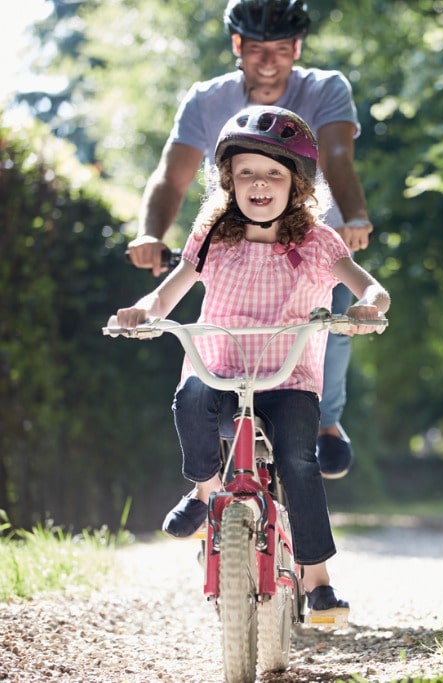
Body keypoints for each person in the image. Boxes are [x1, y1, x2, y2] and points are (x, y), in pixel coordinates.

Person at [113, 105, 391, 617]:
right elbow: (168, 292)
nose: (258, 183)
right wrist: (142, 312)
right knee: (189, 396)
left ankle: (318, 580)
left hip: (288, 379)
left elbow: (369, 286)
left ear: (297, 184)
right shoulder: (214, 237)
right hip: (218, 370)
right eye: (245, 173)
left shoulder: (317, 241)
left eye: (272, 173)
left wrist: (369, 306)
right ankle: (205, 493)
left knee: (299, 462)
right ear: (229, 180)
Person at [127, 0, 368, 479]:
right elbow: (171, 178)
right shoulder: (206, 99)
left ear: (297, 47)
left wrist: (355, 217)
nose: (269, 61)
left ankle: (325, 424)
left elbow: (338, 157)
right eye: (257, 48)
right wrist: (150, 233)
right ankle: (206, 478)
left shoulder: (325, 88)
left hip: (307, 239)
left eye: (282, 49)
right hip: (236, 240)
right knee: (215, 324)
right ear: (237, 46)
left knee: (331, 321)